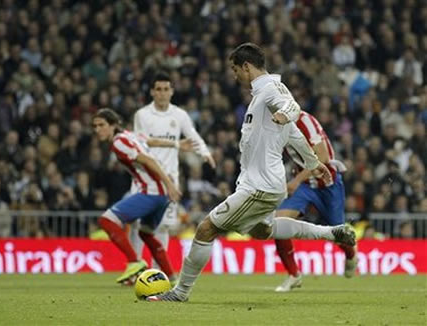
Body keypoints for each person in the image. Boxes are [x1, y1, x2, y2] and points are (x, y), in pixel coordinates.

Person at [147, 43, 355, 302]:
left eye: (236, 69)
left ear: (247, 66)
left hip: (259, 187)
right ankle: (330, 232)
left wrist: (284, 114)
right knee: (262, 231)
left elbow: (292, 109)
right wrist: (312, 163)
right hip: (265, 184)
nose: (234, 75)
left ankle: (180, 292)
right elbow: (294, 134)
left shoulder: (271, 89)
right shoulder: (260, 96)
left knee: (205, 229)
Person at [129, 71, 215, 263]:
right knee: (136, 223)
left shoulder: (179, 115)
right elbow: (142, 142)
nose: (162, 93)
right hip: (144, 177)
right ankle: (134, 267)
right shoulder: (142, 115)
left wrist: (205, 152)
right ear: (152, 92)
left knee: (163, 226)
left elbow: (192, 134)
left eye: (166, 89)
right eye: (158, 89)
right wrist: (176, 144)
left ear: (172, 91)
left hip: (169, 179)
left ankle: (157, 271)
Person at [93, 108, 185, 284]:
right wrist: (176, 144)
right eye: (95, 126)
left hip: (153, 192)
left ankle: (134, 262)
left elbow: (148, 160)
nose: (98, 129)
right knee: (146, 234)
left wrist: (169, 184)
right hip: (162, 195)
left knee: (106, 221)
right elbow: (150, 141)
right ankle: (172, 278)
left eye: (102, 125)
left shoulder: (119, 142)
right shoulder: (130, 135)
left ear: (113, 125)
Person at [274, 111, 356, 292]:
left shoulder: (305, 122)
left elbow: (324, 158)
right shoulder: (276, 124)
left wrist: (295, 181)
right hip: (305, 185)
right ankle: (293, 275)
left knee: (338, 233)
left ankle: (350, 254)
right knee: (279, 223)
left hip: (327, 184)